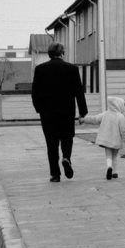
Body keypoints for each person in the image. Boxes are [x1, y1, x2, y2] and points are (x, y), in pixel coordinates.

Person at [31, 43, 88, 182]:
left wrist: (40, 109)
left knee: (51, 144)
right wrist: (82, 111)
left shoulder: (40, 69)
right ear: (62, 53)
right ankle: (66, 157)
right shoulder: (72, 69)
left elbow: (35, 93)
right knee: (67, 138)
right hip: (67, 112)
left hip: (48, 114)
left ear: (49, 54)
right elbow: (79, 92)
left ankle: (55, 174)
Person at [81, 95, 125, 180]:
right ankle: (115, 173)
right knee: (115, 156)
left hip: (106, 140)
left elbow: (94, 119)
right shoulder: (120, 116)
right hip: (116, 141)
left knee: (108, 155)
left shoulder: (105, 114)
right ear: (119, 105)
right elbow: (124, 129)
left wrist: (83, 119)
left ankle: (109, 167)